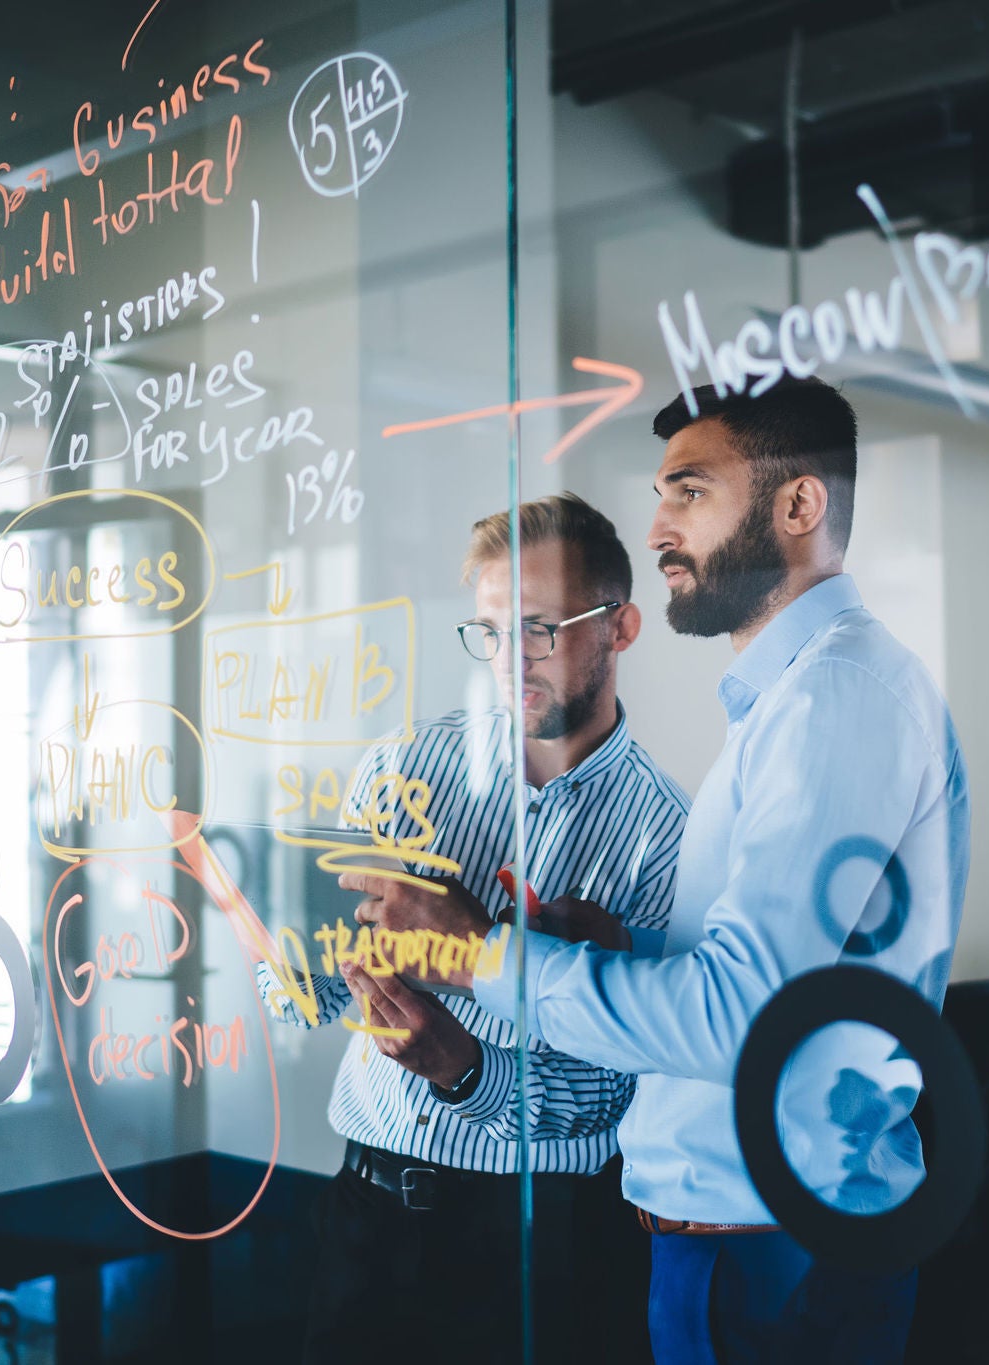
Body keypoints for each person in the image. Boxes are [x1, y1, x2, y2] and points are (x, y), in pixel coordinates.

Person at [355, 378, 972, 1363]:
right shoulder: (795, 703)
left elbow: (742, 1019)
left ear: (797, 506)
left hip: (772, 1253)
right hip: (748, 1245)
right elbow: (785, 984)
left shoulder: (831, 703)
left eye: (688, 492)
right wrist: (626, 945)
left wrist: (481, 959)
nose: (655, 530)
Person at [247, 493, 690, 1365]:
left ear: (622, 627)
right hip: (366, 1216)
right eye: (488, 632)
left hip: (544, 1241)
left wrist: (462, 1068)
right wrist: (301, 953)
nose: (507, 659)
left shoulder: (665, 835)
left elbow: (607, 1098)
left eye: (539, 628)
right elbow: (293, 1002)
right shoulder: (401, 766)